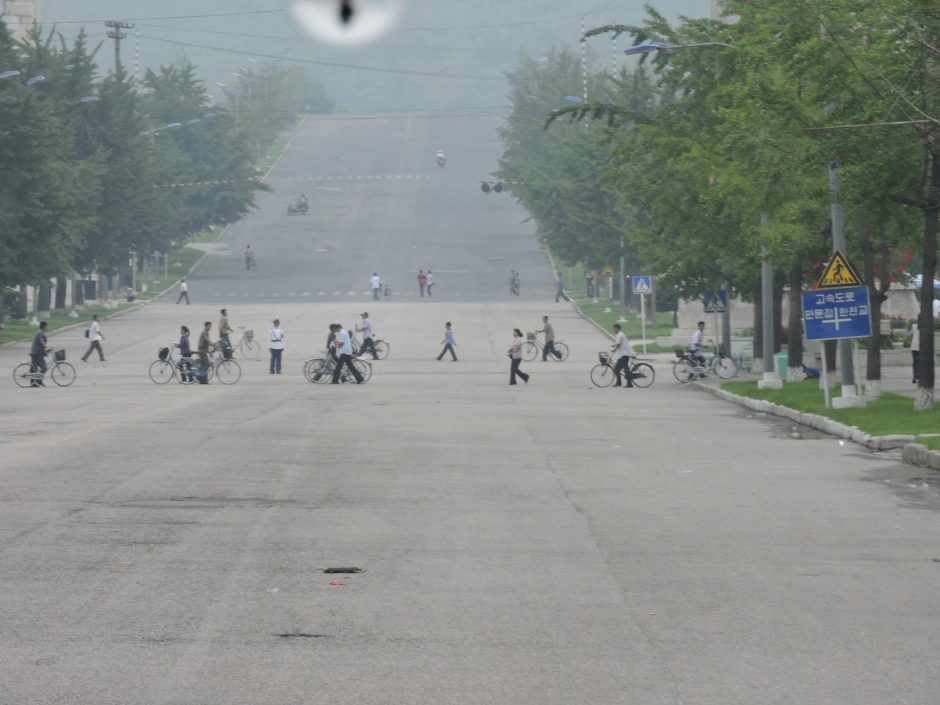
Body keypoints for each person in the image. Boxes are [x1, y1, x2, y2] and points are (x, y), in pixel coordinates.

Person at [611, 323, 635, 388]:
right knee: (616, 369)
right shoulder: (619, 335)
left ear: (618, 329)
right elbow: (617, 343)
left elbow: (618, 345)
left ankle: (629, 384)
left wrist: (614, 349)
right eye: (613, 329)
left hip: (625, 354)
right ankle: (619, 382)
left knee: (625, 369)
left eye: (614, 329)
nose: (613, 330)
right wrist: (614, 345)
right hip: (623, 355)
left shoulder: (620, 335)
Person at [29, 321, 50, 387]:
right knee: (42, 367)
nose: (47, 327)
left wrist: (47, 349)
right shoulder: (40, 333)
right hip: (36, 353)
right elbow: (42, 342)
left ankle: (37, 382)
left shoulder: (41, 333)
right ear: (44, 327)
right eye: (46, 326)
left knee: (36, 368)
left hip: (38, 353)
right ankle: (37, 381)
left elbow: (43, 343)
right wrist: (47, 347)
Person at [910, 320, 920, 384]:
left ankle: (914, 377)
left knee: (915, 362)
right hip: (921, 347)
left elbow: (911, 334)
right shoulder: (925, 327)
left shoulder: (914, 326)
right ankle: (919, 377)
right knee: (921, 363)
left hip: (914, 347)